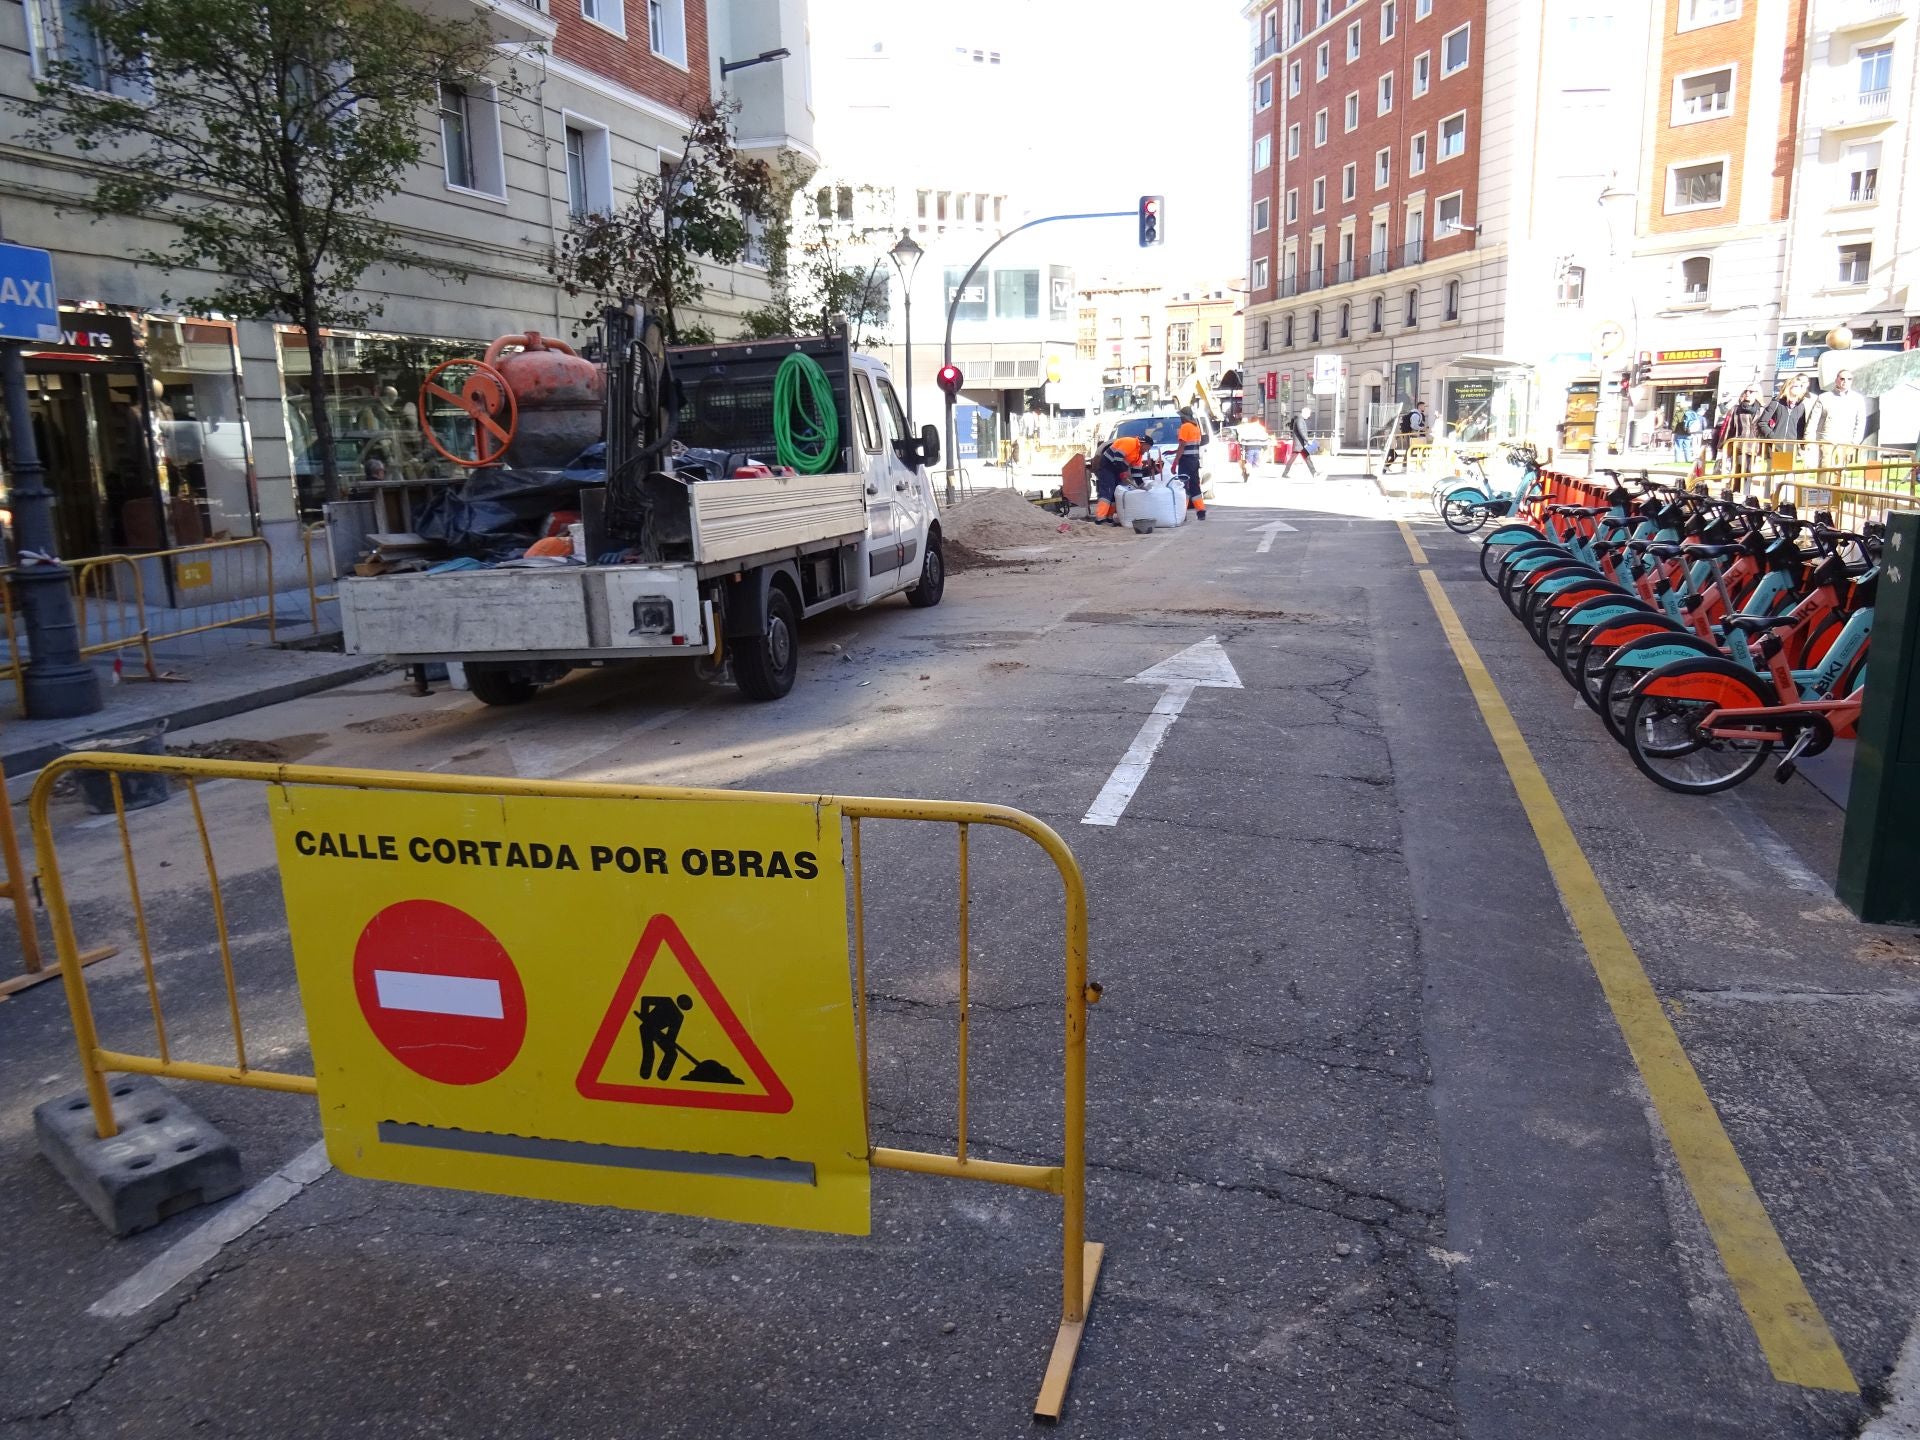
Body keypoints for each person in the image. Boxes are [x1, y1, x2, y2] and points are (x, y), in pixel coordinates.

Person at [1807, 368, 1867, 469]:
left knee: (1841, 475)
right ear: (1836, 380)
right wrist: (1809, 440)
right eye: (1842, 378)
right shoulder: (1824, 397)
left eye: (1849, 379)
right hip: (1826, 442)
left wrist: (1854, 442)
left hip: (1846, 442)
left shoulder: (1858, 399)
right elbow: (1813, 420)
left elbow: (1860, 422)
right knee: (1824, 473)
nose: (1845, 381)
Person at [1092, 431, 1148, 526]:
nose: (1147, 451)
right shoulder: (1131, 443)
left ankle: (1109, 517)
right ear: (1144, 444)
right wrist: (1123, 471)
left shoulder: (1139, 455)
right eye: (1147, 448)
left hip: (1116, 469)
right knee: (1107, 491)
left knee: (1115, 492)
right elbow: (1117, 457)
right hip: (1107, 466)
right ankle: (1100, 518)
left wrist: (1141, 486)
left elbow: (1137, 472)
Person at [1758, 375, 1811, 466]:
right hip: (1775, 446)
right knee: (1775, 476)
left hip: (1791, 447)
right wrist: (1773, 437)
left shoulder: (1801, 406)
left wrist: (1802, 444)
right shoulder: (1776, 403)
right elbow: (1762, 423)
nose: (1799, 389)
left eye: (1801, 386)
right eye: (1796, 386)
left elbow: (1800, 427)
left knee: (1788, 477)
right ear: (1788, 387)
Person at [1718, 386, 1763, 477]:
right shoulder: (1736, 409)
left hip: (1754, 446)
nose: (1747, 393)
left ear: (1757, 394)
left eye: (1751, 391)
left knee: (1749, 472)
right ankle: (1736, 490)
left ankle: (1744, 490)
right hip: (1739, 445)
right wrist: (1722, 445)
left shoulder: (1761, 410)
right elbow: (1728, 428)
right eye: (1746, 391)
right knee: (1738, 471)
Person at [1173, 407, 1206, 520]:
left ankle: (1182, 512)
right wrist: (1175, 451)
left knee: (1183, 486)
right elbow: (1191, 445)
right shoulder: (1195, 426)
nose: (1180, 419)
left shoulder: (1185, 426)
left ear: (1184, 417)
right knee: (1194, 486)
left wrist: (1175, 461)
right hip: (1194, 460)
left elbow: (1182, 445)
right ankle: (1201, 511)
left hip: (1186, 461)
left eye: (1181, 416)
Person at [1384, 400, 1428, 472]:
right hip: (1413, 434)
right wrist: (1422, 428)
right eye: (1424, 406)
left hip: (1413, 434)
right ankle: (1405, 466)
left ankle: (1414, 466)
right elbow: (1413, 425)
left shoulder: (1417, 414)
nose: (1424, 408)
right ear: (1420, 406)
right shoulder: (1415, 415)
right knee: (1411, 449)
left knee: (1416, 449)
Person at [1282, 406, 1318, 479]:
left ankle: (1314, 473)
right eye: (1309, 414)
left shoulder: (1300, 419)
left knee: (1307, 458)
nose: (1309, 415)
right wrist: (1307, 440)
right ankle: (1284, 474)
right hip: (1299, 444)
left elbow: (1302, 431)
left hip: (1300, 444)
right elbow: (1301, 431)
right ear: (1305, 413)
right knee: (1294, 459)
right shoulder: (1299, 420)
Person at [1672, 400, 1698, 465]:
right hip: (1688, 433)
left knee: (1678, 447)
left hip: (1679, 433)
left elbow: (1674, 424)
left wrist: (1673, 431)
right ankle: (1688, 460)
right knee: (1688, 447)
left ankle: (1678, 461)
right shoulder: (1691, 413)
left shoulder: (1678, 413)